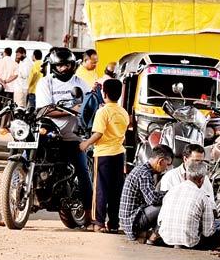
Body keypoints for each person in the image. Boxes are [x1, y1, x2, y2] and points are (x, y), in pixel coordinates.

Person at [35, 48, 93, 223]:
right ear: (53, 66)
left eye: (67, 64)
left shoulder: (81, 84)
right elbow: (44, 110)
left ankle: (90, 215)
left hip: (73, 137)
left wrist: (72, 111)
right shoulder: (46, 83)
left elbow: (87, 108)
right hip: (50, 134)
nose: (64, 68)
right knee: (27, 157)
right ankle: (14, 202)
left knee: (83, 172)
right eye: (60, 65)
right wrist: (72, 110)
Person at [80, 78, 130, 233]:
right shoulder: (123, 112)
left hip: (103, 154)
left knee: (100, 188)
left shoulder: (103, 111)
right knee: (116, 190)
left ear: (104, 93)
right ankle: (114, 224)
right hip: (119, 154)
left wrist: (86, 143)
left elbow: (98, 133)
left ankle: (98, 222)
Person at [157, 159, 218, 249]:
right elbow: (207, 232)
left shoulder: (171, 191)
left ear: (186, 176)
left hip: (166, 239)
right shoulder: (203, 197)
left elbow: (160, 221)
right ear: (201, 180)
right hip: (191, 242)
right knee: (218, 230)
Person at [119, 144, 174, 242]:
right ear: (160, 161)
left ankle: (146, 234)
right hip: (132, 221)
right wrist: (171, 194)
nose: (166, 169)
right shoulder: (144, 174)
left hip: (130, 220)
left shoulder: (143, 169)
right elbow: (152, 199)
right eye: (167, 165)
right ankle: (153, 235)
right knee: (167, 204)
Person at [0, 47, 17, 126]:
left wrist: (1, 82)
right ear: (11, 53)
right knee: (7, 106)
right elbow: (15, 76)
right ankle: (3, 126)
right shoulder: (14, 63)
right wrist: (6, 81)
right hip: (10, 88)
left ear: (4, 53)